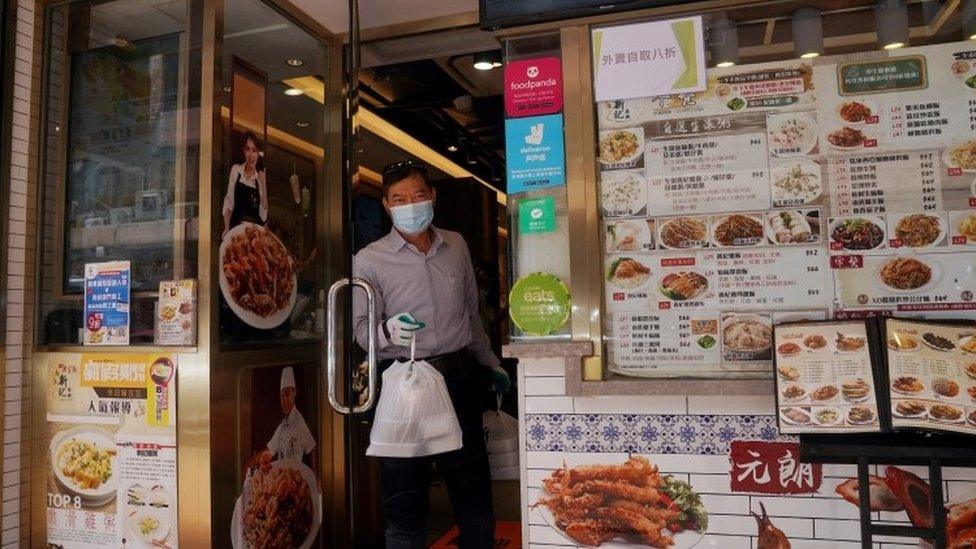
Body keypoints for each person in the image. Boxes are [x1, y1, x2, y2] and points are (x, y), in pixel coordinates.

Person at [352, 160, 510, 549]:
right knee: (405, 496)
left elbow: (471, 316)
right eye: (400, 199)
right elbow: (359, 332)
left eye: (418, 196)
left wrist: (491, 363)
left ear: (432, 197)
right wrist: (388, 330)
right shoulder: (369, 259)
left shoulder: (455, 245)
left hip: (458, 379)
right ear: (387, 206)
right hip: (405, 383)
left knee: (472, 489)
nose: (411, 205)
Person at [254, 367, 316, 469]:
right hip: (281, 473)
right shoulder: (282, 425)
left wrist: (316, 477)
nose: (284, 401)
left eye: (287, 394)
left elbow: (312, 447)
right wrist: (254, 460)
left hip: (295, 474)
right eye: (282, 396)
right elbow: (270, 449)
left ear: (294, 393)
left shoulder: (298, 420)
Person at [222, 131, 269, 237]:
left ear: (258, 154)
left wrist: (263, 185)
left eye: (254, 150)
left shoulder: (259, 179)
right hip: (235, 229)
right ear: (243, 151)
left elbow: (263, 216)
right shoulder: (236, 170)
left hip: (253, 234)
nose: (251, 155)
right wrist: (226, 227)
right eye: (247, 149)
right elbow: (229, 201)